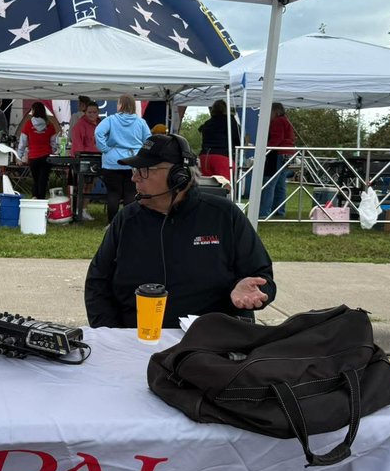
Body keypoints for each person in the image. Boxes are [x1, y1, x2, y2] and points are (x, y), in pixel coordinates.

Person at [85, 133, 276, 329]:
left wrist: (252, 290)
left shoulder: (224, 215)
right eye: (135, 169)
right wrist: (109, 333)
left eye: (144, 170)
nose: (134, 177)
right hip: (136, 339)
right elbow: (97, 282)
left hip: (210, 342)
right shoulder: (126, 219)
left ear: (179, 176)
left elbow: (262, 277)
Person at [95, 94, 151, 223]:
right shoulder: (141, 122)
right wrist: (142, 154)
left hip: (112, 161)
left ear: (120, 105)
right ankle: (128, 223)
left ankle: (112, 224)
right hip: (133, 161)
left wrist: (105, 149)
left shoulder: (110, 120)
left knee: (113, 193)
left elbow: (98, 132)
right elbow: (148, 140)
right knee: (130, 194)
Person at [259, 103, 295, 218]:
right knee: (280, 184)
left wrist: (265, 149)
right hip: (287, 153)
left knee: (270, 183)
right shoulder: (286, 120)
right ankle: (279, 211)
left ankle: (264, 212)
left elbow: (277, 138)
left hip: (278, 153)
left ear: (275, 111)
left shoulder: (278, 121)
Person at [17, 101, 59, 200]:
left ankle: (35, 197)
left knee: (36, 179)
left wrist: (19, 156)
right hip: (46, 157)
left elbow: (22, 142)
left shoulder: (28, 124)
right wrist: (54, 152)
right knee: (43, 179)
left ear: (33, 111)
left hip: (33, 157)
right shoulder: (50, 125)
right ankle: (41, 199)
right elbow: (53, 142)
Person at [198, 99, 243, 179]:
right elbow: (239, 140)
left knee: (207, 185)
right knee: (225, 186)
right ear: (225, 109)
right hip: (222, 157)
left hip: (205, 157)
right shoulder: (230, 121)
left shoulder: (207, 123)